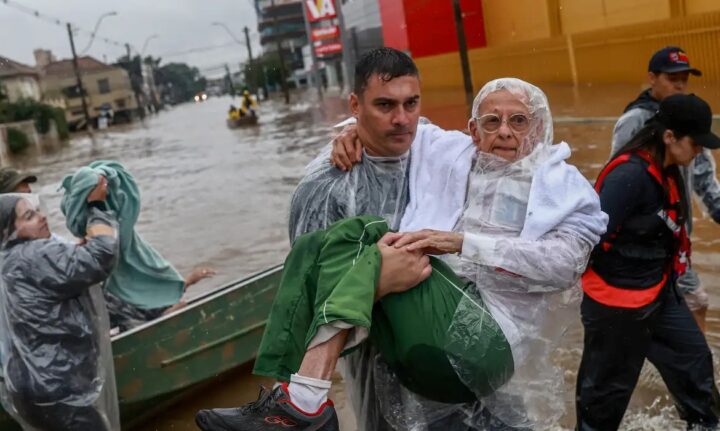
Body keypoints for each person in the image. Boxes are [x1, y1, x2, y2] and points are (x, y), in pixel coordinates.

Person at [196, 60, 607, 430]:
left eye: (519, 121)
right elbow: (403, 125)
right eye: (491, 121)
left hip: (487, 341)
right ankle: (299, 396)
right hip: (437, 334)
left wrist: (462, 243)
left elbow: (567, 263)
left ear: (538, 127)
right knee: (332, 243)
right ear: (472, 129)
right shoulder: (451, 152)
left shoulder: (563, 184)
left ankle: (301, 401)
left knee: (359, 238)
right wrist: (348, 131)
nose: (504, 132)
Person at [576, 93, 720, 430]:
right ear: (669, 137)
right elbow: (586, 240)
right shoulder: (628, 176)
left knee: (695, 362)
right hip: (618, 304)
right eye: (695, 143)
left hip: (659, 293)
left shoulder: (669, 169)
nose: (700, 151)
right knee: (603, 401)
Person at [611, 46, 720, 332]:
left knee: (688, 302)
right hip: (648, 239)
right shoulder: (635, 121)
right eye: (673, 79)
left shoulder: (690, 118)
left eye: (685, 79)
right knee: (692, 301)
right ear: (652, 78)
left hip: (676, 239)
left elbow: (705, 177)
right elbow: (618, 177)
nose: (681, 86)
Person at [0, 179, 121, 430]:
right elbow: (103, 255)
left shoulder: (10, 259)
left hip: (28, 387)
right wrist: (96, 206)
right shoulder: (35, 255)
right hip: (59, 389)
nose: (43, 218)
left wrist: (73, 255)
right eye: (29, 217)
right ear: (8, 231)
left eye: (37, 211)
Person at [60, 161, 214, 332]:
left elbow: (149, 288)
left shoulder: (113, 223)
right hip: (119, 306)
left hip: (124, 304)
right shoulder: (97, 233)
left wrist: (188, 281)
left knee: (175, 306)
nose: (104, 182)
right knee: (174, 309)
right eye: (98, 183)